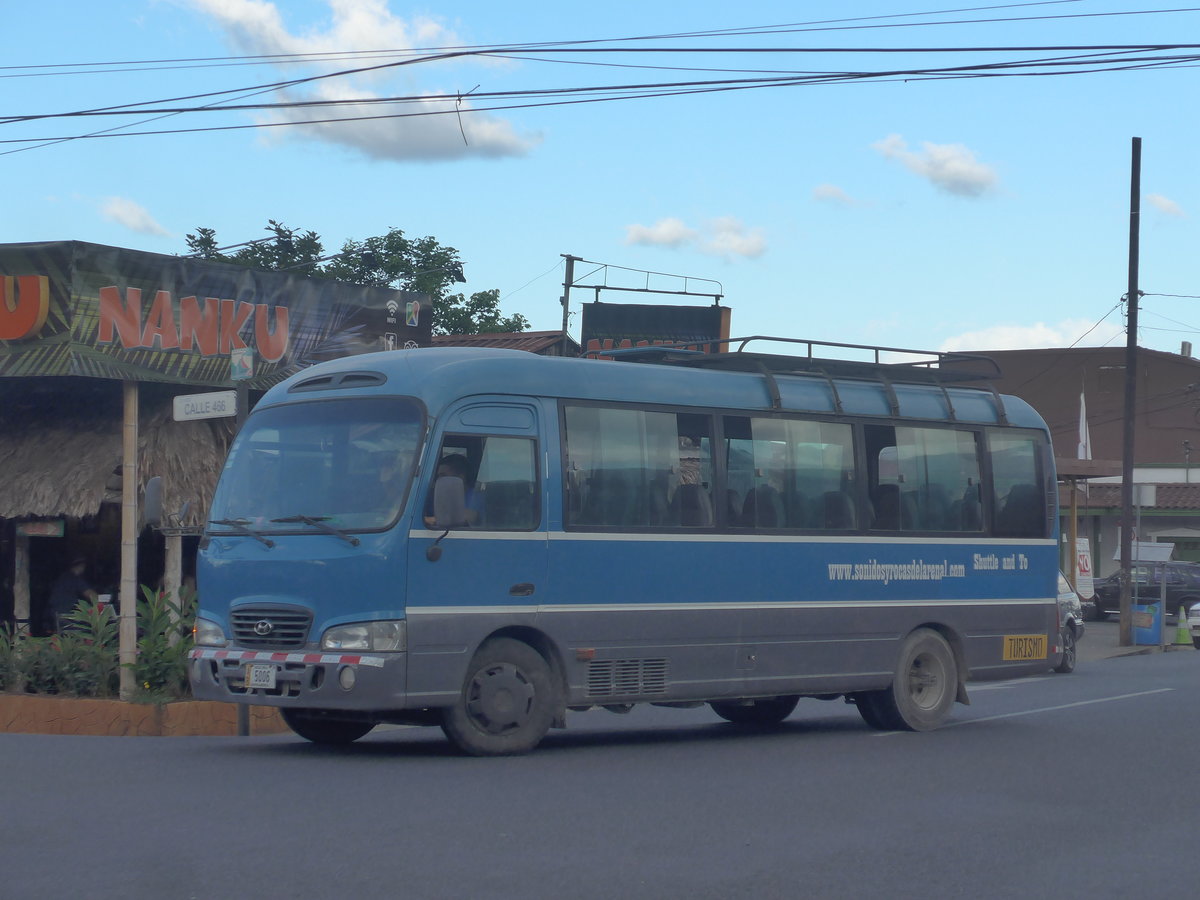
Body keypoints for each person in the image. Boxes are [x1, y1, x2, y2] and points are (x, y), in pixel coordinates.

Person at [423, 453, 482, 527]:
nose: (438, 480)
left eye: (443, 475)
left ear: (460, 477)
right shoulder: (435, 494)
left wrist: (428, 520)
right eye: (438, 476)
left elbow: (471, 516)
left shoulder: (476, 496)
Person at [47, 556, 99, 632]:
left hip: (55, 615)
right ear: (81, 566)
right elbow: (92, 596)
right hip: (67, 616)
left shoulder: (62, 577)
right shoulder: (75, 579)